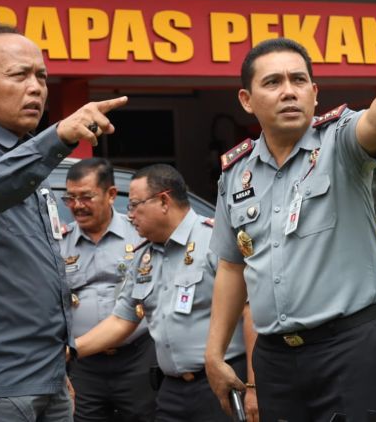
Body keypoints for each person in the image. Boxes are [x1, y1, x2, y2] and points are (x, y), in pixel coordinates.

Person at [204, 38, 376, 422]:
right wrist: (214, 354)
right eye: (272, 83)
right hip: (274, 360)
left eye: (298, 80)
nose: (288, 91)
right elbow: (232, 267)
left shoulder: (340, 143)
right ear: (247, 100)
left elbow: (375, 119)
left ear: (314, 93)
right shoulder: (236, 175)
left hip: (350, 351)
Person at [0, 23, 127, 422]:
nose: (35, 87)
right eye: (19, 75)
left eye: (41, 77)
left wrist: (58, 364)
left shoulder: (28, 159)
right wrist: (58, 137)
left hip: (47, 376)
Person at [74, 164, 255, 422]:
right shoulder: (143, 256)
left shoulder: (215, 240)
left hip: (221, 383)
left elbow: (252, 313)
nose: (130, 214)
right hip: (171, 390)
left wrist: (253, 387)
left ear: (163, 201)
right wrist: (70, 349)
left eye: (135, 205)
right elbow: (121, 320)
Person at [59, 158, 156, 422]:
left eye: (86, 197)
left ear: (111, 194)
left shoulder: (140, 234)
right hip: (83, 365)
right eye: (70, 198)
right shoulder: (59, 243)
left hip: (137, 357)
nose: (77, 206)